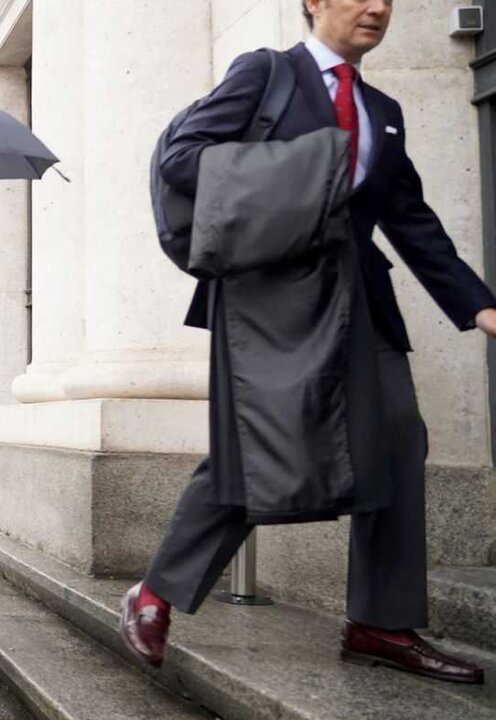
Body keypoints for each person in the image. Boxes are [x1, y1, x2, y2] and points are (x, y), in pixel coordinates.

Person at [120, 0, 496, 685]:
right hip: (273, 300)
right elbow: (184, 160)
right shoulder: (266, 73)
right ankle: (155, 594)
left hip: (361, 299)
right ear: (313, 2)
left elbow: (411, 220)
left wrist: (479, 305)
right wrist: (312, 165)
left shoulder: (382, 109)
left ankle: (379, 620)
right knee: (258, 446)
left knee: (399, 434)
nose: (378, 7)